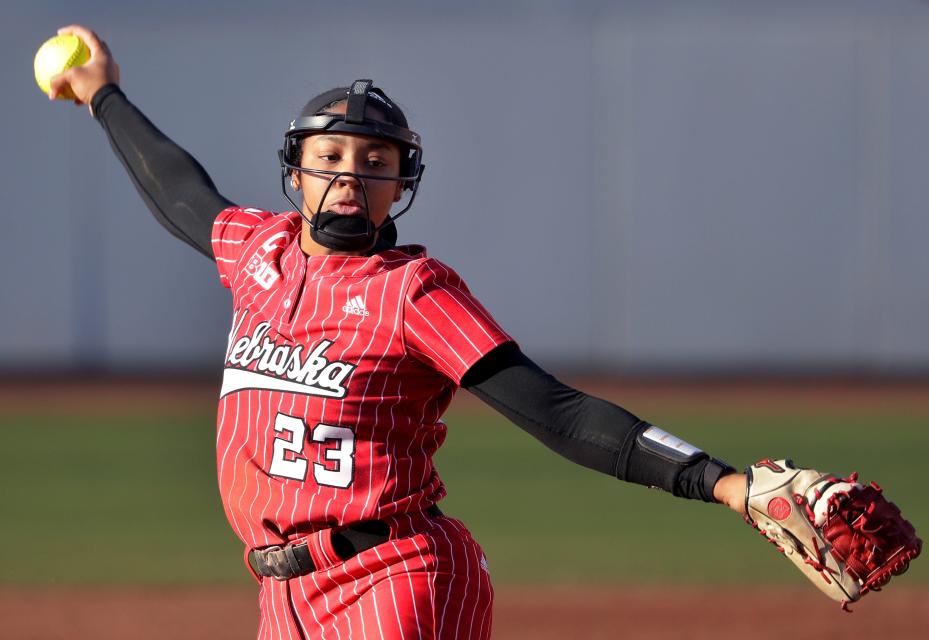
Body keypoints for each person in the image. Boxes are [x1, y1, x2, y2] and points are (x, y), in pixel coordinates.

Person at [51, 24, 749, 640]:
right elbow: (177, 189)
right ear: (296, 172)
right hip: (282, 597)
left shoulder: (413, 292)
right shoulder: (256, 250)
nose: (351, 176)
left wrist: (722, 483)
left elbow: (557, 412)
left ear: (400, 183)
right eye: (331, 158)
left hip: (393, 577)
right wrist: (103, 95)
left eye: (375, 163)